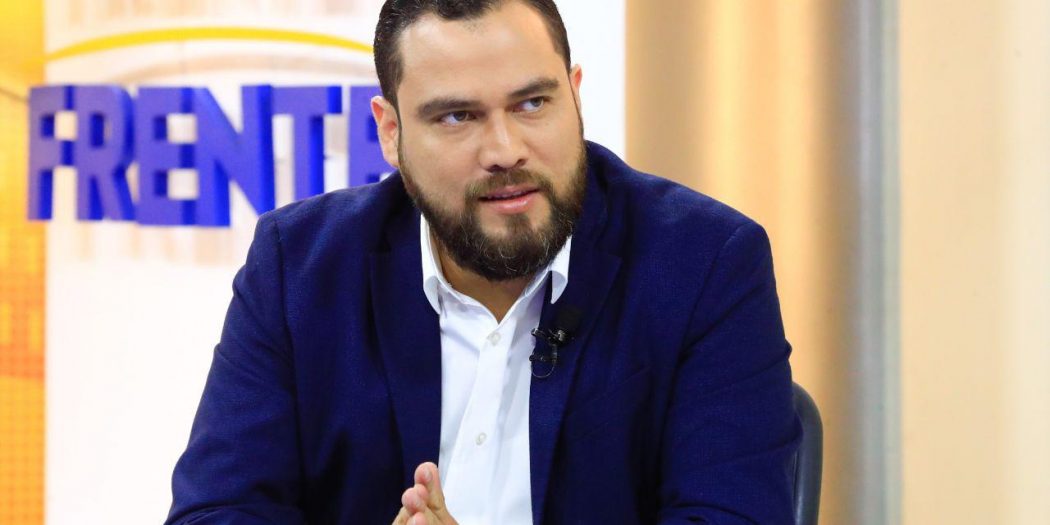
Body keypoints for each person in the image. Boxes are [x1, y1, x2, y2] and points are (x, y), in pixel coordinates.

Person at [166, 1, 801, 524]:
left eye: (532, 104)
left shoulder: (705, 264)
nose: (504, 150)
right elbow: (216, 511)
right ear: (391, 132)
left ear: (575, 97)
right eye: (457, 116)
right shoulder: (299, 267)